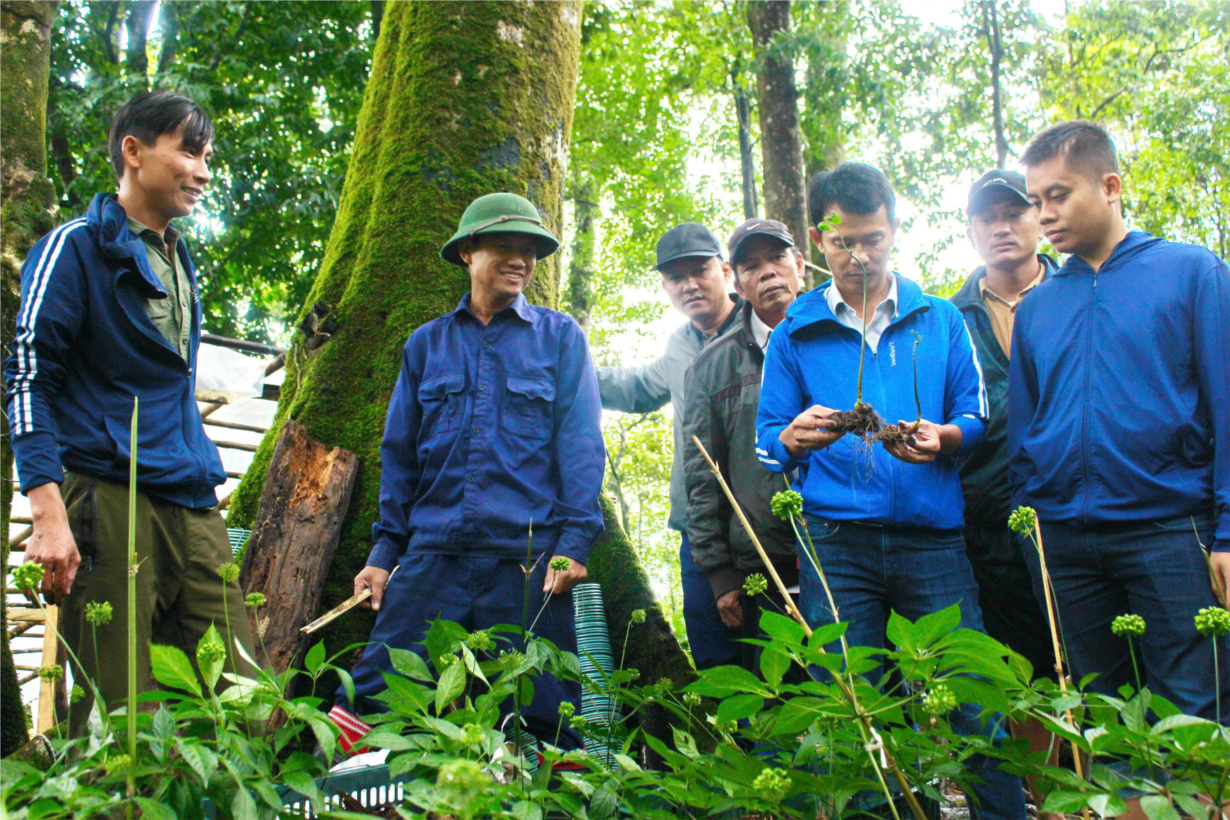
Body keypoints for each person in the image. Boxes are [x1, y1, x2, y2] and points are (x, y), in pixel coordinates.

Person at [755, 162, 1025, 820]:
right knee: (850, 699)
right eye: (844, 241)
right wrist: (792, 439)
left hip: (933, 539)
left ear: (896, 232)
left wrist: (946, 439)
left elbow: (976, 414)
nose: (860, 256)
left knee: (971, 691)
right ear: (819, 239)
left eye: (873, 239)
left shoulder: (938, 319)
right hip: (836, 543)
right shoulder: (796, 331)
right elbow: (765, 442)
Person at [5, 91, 255, 735]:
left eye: (208, 156)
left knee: (242, 698)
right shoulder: (74, 248)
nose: (202, 170)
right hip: (108, 495)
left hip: (192, 495)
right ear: (134, 151)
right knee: (119, 720)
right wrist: (48, 514)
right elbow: (30, 375)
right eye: (189, 151)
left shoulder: (177, 257)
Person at [328, 193, 606, 755]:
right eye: (505, 246)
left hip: (527, 562)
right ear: (467, 254)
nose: (521, 260)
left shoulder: (560, 339)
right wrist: (384, 555)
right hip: (432, 557)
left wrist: (575, 542)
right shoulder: (425, 345)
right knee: (378, 699)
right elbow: (400, 454)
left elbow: (581, 446)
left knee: (543, 715)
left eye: (530, 251)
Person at [1010, 121, 1230, 726]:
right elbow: (1025, 431)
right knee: (1107, 719)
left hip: (1170, 531)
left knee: (1194, 716)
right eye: (1036, 202)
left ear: (1110, 186)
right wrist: (1035, 537)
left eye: (1059, 195)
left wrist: (1229, 532)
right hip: (1065, 545)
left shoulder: (1191, 274)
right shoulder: (1039, 308)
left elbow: (1226, 403)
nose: (1044, 215)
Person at [951, 170, 1060, 816]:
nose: (1001, 226)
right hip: (989, 528)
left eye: (1014, 213)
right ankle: (1048, 800)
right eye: (985, 217)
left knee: (1098, 665)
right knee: (1021, 677)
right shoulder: (947, 319)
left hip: (1083, 518)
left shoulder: (1081, 292)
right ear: (969, 230)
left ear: (1037, 218)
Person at [597, 223, 742, 670]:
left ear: (725, 270)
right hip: (698, 527)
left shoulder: (763, 325)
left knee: (779, 654)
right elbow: (639, 387)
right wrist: (566, 364)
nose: (690, 285)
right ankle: (735, 743)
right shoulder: (680, 344)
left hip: (760, 528)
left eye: (700, 270)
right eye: (676, 278)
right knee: (714, 657)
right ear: (665, 286)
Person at [682, 219, 803, 672]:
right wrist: (719, 575)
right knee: (780, 694)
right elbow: (703, 474)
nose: (768, 272)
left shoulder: (843, 336)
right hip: (764, 563)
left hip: (847, 549)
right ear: (736, 278)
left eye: (777, 259)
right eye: (752, 265)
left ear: (800, 264)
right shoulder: (710, 367)